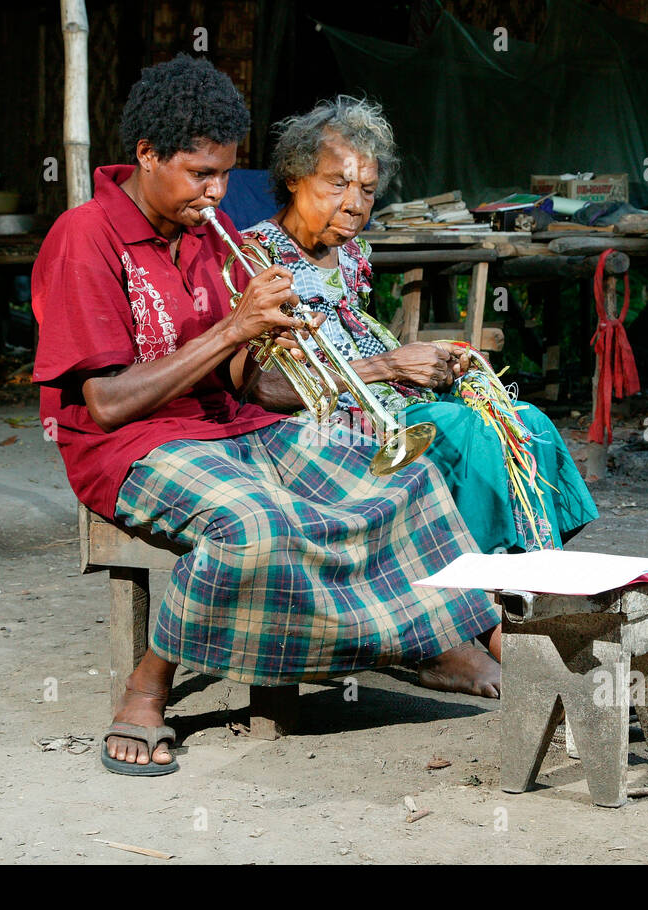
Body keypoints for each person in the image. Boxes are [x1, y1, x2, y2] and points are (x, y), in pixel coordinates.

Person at [32, 56, 502, 777]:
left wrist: (280, 349)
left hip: (231, 427)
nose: (218, 194)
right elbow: (107, 401)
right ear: (147, 156)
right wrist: (230, 328)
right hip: (127, 448)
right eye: (199, 175)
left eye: (224, 174)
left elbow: (249, 388)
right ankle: (146, 688)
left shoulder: (205, 238)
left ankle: (460, 643)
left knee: (411, 479)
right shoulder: (85, 236)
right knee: (255, 525)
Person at [243, 97, 598, 554]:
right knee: (463, 431)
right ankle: (480, 580)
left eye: (367, 190)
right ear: (294, 177)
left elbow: (355, 342)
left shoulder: (351, 254)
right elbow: (263, 388)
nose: (354, 205)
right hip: (327, 428)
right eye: (337, 184)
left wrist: (433, 363)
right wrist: (389, 366)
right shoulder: (256, 258)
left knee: (527, 422)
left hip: (391, 406)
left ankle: (530, 567)